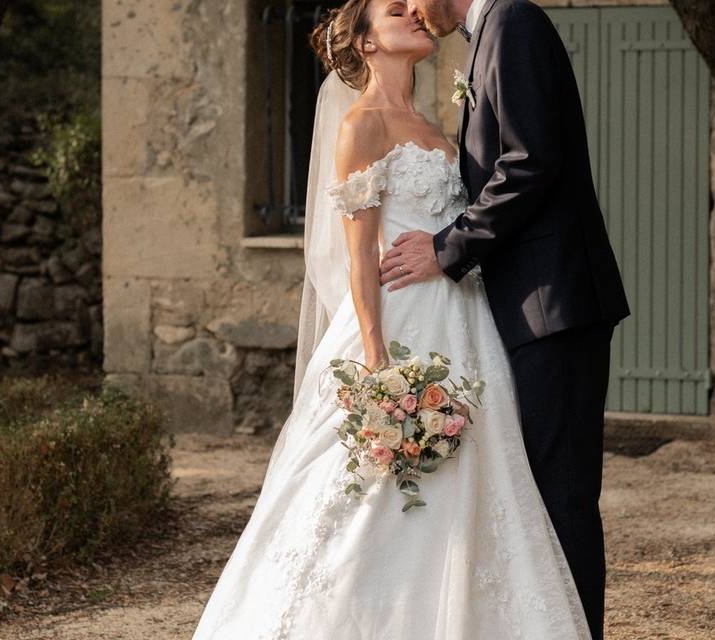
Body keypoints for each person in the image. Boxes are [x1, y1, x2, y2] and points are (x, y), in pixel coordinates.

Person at [189, 0, 602, 637]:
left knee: (480, 482)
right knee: (371, 494)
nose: (412, 11)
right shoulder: (361, 126)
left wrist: (449, 252)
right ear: (366, 42)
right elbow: (358, 257)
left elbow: (503, 183)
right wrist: (376, 355)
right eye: (393, 9)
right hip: (402, 320)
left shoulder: (438, 125)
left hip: (466, 321)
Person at [377, 0, 631, 637]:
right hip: (529, 307)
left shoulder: (514, 21)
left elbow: (528, 162)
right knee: (541, 493)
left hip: (554, 305)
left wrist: (447, 248)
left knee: (563, 493)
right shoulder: (488, 33)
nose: (409, 7)